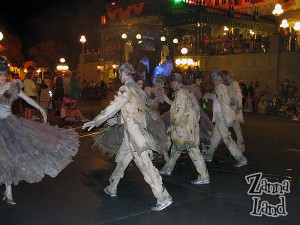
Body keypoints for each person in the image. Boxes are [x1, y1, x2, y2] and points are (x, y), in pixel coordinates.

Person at [82, 63, 172, 211]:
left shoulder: (127, 89)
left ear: (124, 74)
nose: (119, 77)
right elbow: (136, 113)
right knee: (122, 161)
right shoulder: (139, 91)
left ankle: (163, 197)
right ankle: (112, 187)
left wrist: (96, 120)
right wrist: (118, 120)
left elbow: (114, 107)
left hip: (135, 136)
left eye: (119, 74)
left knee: (146, 166)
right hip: (132, 134)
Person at [0, 55, 79, 206]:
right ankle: (7, 190)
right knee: (3, 158)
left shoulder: (12, 86)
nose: (2, 77)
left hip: (10, 125)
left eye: (4, 74)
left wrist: (41, 109)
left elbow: (27, 99)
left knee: (9, 156)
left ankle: (8, 191)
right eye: (0, 74)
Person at [159, 73, 210, 185]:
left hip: (185, 129)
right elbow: (195, 109)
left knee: (193, 151)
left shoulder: (181, 93)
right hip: (187, 128)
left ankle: (204, 176)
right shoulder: (186, 92)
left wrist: (173, 125)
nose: (170, 86)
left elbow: (179, 111)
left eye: (171, 83)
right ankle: (167, 169)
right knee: (176, 148)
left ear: (175, 82)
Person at [203, 71, 247, 167]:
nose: (212, 81)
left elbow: (225, 100)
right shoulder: (223, 87)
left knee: (227, 139)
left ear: (216, 80)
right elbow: (221, 98)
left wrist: (229, 114)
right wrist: (209, 95)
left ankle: (241, 159)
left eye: (213, 79)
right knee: (215, 137)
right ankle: (208, 155)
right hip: (222, 116)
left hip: (222, 117)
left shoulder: (220, 87)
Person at [222, 70, 245, 152]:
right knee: (228, 129)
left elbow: (238, 95)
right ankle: (235, 148)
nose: (223, 78)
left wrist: (238, 108)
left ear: (227, 75)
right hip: (228, 109)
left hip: (233, 109)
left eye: (224, 76)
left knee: (236, 129)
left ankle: (240, 148)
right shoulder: (225, 84)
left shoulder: (234, 83)